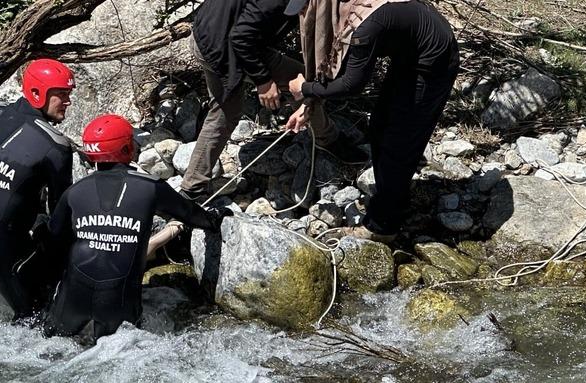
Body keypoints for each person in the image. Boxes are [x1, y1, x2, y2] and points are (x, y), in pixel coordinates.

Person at [43, 114, 231, 341]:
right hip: (118, 301)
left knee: (54, 349)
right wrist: (214, 219)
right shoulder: (150, 187)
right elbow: (189, 214)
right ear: (126, 148)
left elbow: (54, 237)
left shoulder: (74, 192)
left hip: (72, 296)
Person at [285, 0, 459, 243]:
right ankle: (392, 198)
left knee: (397, 142)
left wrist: (304, 88)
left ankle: (383, 226)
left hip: (435, 61)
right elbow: (334, 66)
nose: (304, 16)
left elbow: (351, 85)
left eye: (306, 10)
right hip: (410, 55)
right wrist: (308, 103)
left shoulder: (365, 25)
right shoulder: (346, 12)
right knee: (379, 126)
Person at [0, 43, 76, 319]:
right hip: (1, 249)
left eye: (69, 94)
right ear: (37, 94)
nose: (68, 102)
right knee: (34, 320)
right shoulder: (56, 147)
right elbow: (61, 216)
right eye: (61, 95)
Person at [178, 0, 341, 202]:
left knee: (224, 111)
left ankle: (192, 187)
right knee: (300, 80)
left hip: (206, 34)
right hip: (225, 43)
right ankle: (328, 139)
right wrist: (263, 80)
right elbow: (241, 37)